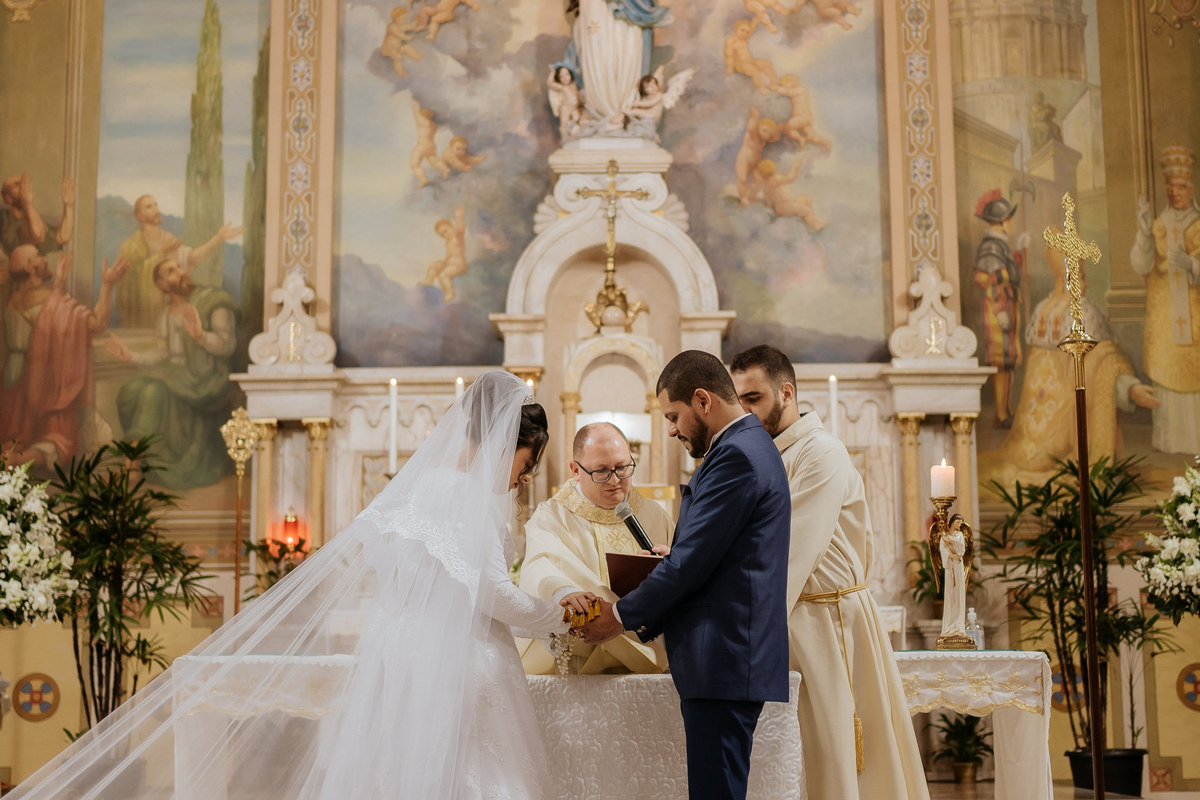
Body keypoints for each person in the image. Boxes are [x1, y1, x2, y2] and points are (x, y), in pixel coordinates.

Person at [7, 371, 596, 799]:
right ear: (504, 440)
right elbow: (492, 595)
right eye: (528, 457)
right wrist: (555, 614)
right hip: (457, 664)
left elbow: (395, 576)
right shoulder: (468, 499)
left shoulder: (415, 492)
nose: (524, 473)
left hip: (400, 654)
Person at [581, 349, 791, 800]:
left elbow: (692, 566)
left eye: (674, 415)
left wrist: (619, 617)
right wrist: (676, 553)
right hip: (725, 657)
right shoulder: (746, 447)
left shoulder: (736, 456)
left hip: (723, 656)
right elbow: (712, 552)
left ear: (702, 400)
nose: (671, 429)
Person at [729, 344, 930, 800]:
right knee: (795, 760)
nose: (744, 410)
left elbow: (786, 551)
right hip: (792, 622)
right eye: (737, 399)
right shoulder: (760, 455)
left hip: (830, 623)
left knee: (836, 752)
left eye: (754, 398)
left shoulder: (820, 453)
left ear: (787, 392)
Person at [980, 235, 1159, 487]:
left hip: (1030, 442)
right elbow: (1103, 363)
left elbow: (1096, 363)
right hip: (1067, 435)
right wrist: (1128, 387)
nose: (1084, 284)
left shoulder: (1041, 310)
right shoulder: (1082, 311)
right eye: (1080, 275)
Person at [519, 421, 673, 674]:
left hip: (647, 661)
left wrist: (672, 562)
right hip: (579, 662)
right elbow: (541, 566)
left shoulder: (653, 514)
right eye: (601, 471)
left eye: (623, 467)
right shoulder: (552, 516)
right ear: (575, 470)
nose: (615, 481)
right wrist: (564, 591)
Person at [105, 256, 239, 490]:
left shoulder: (212, 302)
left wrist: (201, 336)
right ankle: (141, 459)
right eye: (170, 271)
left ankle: (132, 466)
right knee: (131, 390)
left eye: (178, 267)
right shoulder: (166, 314)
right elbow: (163, 354)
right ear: (161, 284)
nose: (178, 272)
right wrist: (131, 356)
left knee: (152, 392)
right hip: (178, 375)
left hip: (206, 378)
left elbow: (228, 345)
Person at [0, 247, 129, 469]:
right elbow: (97, 323)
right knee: (63, 437)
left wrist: (58, 285)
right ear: (31, 268)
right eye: (38, 255)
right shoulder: (51, 300)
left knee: (19, 434)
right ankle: (18, 463)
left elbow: (44, 321)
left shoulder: (15, 299)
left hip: (14, 378)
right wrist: (107, 284)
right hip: (42, 382)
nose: (44, 257)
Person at [1131, 144, 1200, 454]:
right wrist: (1145, 232)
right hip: (1164, 322)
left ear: (1191, 188)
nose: (1175, 192)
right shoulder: (1158, 224)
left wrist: (1193, 265)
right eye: (1170, 187)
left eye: (1181, 187)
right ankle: (1171, 444)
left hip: (1195, 319)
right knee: (1167, 380)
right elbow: (1141, 265)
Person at [115, 194, 242, 328]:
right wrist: (162, 254)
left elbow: (192, 258)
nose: (155, 209)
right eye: (149, 207)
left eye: (156, 205)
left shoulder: (168, 239)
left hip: (169, 313)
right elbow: (128, 285)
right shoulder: (130, 247)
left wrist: (218, 238)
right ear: (139, 216)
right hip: (144, 317)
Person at [973, 189, 1024, 427]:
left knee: (1010, 360)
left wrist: (1018, 258)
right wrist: (1001, 307)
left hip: (1009, 305)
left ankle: (1007, 409)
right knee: (1002, 361)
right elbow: (983, 279)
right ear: (1000, 222)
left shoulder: (1001, 245)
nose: (1012, 223)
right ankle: (1001, 413)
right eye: (1009, 219)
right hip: (998, 308)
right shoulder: (991, 246)